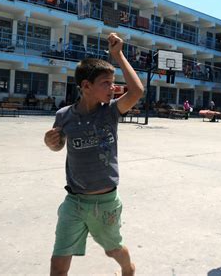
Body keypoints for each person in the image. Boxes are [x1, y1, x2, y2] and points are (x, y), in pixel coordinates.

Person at [44, 33, 143, 276]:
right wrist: (50, 142)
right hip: (75, 202)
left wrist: (118, 55)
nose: (113, 88)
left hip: (106, 203)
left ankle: (128, 269)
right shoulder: (64, 115)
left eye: (113, 82)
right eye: (106, 83)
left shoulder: (110, 112)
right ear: (86, 86)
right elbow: (59, 147)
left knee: (113, 250)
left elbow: (136, 91)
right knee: (58, 263)